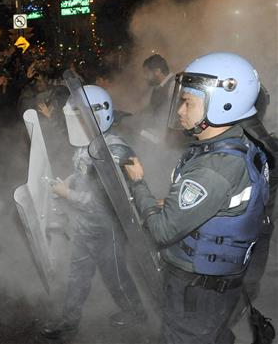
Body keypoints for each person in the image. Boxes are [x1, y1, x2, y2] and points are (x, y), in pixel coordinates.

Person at [125, 52, 270, 344]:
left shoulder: (213, 169)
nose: (179, 110)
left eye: (188, 102)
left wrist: (138, 183)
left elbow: (162, 231)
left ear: (223, 104)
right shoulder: (238, 142)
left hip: (197, 291)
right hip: (217, 286)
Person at [41, 86, 146, 340]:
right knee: (77, 276)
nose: (75, 123)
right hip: (86, 224)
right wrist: (67, 182)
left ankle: (138, 313)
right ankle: (69, 322)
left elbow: (102, 201)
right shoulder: (88, 142)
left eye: (80, 117)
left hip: (107, 227)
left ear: (99, 116)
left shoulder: (112, 150)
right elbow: (83, 174)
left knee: (116, 277)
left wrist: (67, 194)